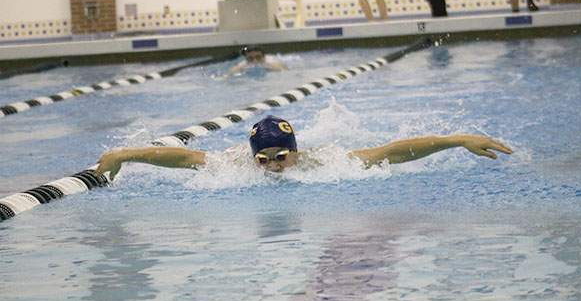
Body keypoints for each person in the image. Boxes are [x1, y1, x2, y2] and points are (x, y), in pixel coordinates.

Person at [95, 115, 514, 180]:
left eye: (282, 156)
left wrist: (458, 140)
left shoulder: (323, 163)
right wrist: (123, 154)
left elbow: (393, 151)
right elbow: (185, 157)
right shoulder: (236, 166)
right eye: (265, 159)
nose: (275, 166)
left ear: (295, 151)